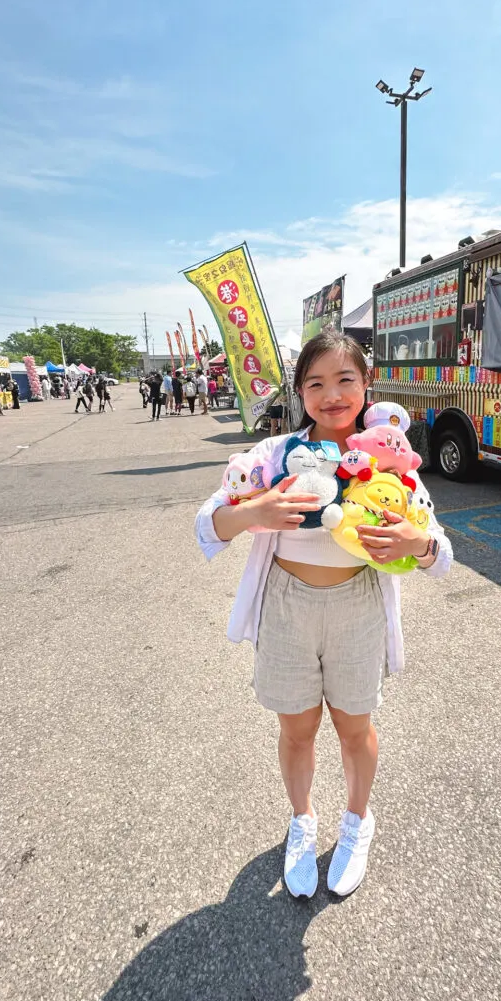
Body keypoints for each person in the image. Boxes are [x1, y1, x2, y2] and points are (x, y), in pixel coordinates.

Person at [195, 330, 452, 899]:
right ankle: (302, 821)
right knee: (297, 728)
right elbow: (207, 523)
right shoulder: (273, 455)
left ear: (365, 386)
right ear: (299, 392)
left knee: (354, 727)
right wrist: (253, 511)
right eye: (315, 383)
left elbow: (440, 553)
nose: (331, 395)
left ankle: (358, 822)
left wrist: (416, 541)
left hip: (357, 607)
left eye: (345, 380)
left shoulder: (390, 461)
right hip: (286, 607)